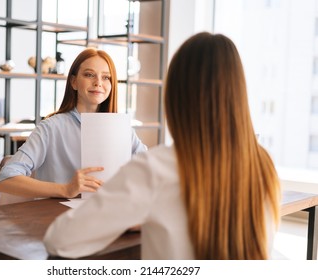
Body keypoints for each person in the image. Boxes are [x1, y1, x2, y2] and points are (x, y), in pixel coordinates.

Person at [43, 32, 281, 260]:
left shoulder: (156, 167)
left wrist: (130, 214)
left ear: (176, 95)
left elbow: (59, 239)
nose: (99, 83)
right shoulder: (263, 162)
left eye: (106, 77)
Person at [0, 48, 147, 199]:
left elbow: (150, 170)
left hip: (107, 213)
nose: (98, 83)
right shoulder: (50, 128)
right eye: (89, 75)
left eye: (106, 77)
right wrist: (65, 189)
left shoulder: (122, 129)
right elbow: (5, 179)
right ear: (74, 82)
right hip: (56, 217)